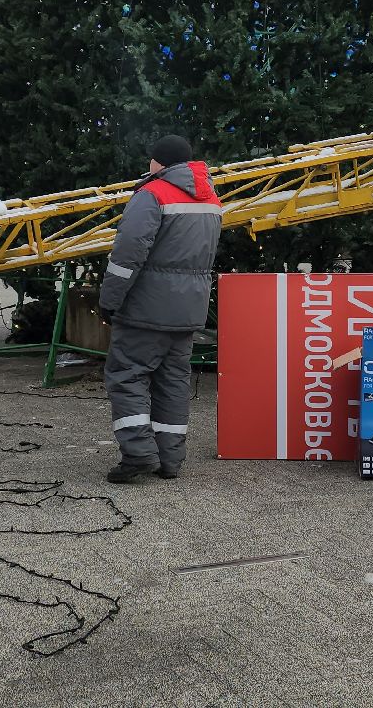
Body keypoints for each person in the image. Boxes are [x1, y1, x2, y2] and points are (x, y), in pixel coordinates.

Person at [97, 134, 221, 483]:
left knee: (127, 375)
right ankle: (170, 460)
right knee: (172, 383)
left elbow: (126, 257)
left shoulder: (152, 194)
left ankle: (138, 454)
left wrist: (110, 300)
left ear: (159, 162)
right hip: (187, 311)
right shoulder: (211, 198)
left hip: (146, 310)